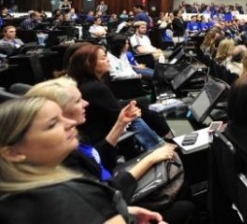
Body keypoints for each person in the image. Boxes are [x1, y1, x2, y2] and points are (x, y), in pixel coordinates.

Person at [24, 79, 193, 223]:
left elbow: (98, 159)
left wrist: (120, 124)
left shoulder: (77, 135)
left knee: (176, 167)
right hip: (117, 195)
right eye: (77, 101)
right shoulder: (64, 159)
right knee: (186, 206)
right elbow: (106, 195)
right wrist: (150, 159)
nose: (86, 103)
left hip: (115, 187)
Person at [0, 97, 165, 224]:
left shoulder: (13, 197)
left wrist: (122, 210)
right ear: (13, 152)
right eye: (52, 124)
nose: (70, 123)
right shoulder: (75, 195)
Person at [68, 45, 171, 149]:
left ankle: (163, 140)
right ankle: (159, 146)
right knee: (135, 116)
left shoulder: (85, 82)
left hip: (99, 123)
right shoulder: (95, 88)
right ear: (89, 64)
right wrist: (132, 112)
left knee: (141, 103)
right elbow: (117, 115)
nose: (108, 60)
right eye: (103, 58)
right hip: (101, 132)